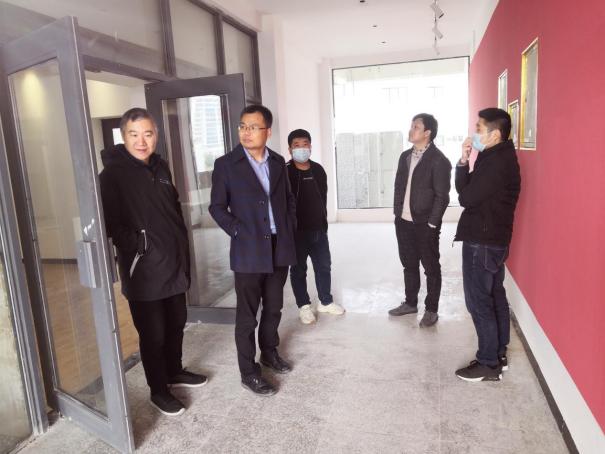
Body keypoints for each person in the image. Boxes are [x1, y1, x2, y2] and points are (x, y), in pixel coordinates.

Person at [99, 108, 206, 417]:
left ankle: (174, 371)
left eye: (147, 134)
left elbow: (170, 209)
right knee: (153, 333)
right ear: (123, 136)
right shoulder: (112, 175)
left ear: (155, 135)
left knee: (176, 323)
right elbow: (111, 223)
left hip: (173, 262)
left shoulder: (161, 167)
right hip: (143, 268)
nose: (141, 141)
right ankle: (158, 390)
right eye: (134, 134)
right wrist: (139, 245)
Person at [209, 105, 297, 396]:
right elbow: (216, 207)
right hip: (248, 250)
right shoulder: (226, 165)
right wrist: (237, 230)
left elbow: (288, 200)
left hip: (278, 247)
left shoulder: (277, 162)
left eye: (253, 127)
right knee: (247, 316)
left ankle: (269, 353)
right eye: (242, 126)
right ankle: (249, 372)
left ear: (267, 132)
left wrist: (289, 226)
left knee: (274, 307)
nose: (246, 132)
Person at [454, 108, 521, 382]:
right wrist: (463, 161)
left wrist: (465, 173)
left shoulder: (496, 163)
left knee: (479, 301)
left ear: (495, 135)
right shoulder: (495, 156)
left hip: (482, 242)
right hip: (493, 239)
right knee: (494, 296)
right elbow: (466, 189)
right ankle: (498, 353)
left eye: (479, 128)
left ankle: (488, 363)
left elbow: (466, 198)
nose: (475, 133)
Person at [388, 113, 452, 326]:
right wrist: (398, 212)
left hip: (425, 224)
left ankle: (431, 309)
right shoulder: (405, 156)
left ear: (427, 133)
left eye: (416, 127)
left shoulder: (439, 161)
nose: (411, 130)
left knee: (430, 267)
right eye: (411, 126)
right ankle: (410, 303)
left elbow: (442, 196)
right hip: (403, 221)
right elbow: (399, 186)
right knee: (409, 264)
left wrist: (432, 223)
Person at [286, 129, 344, 324]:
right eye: (296, 145)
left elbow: (323, 198)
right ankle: (304, 306)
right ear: (290, 149)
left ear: (310, 147)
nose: (301, 148)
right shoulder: (285, 172)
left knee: (324, 266)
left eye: (305, 144)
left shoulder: (318, 170)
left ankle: (325, 301)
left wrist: (323, 223)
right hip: (296, 232)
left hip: (318, 229)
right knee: (298, 270)